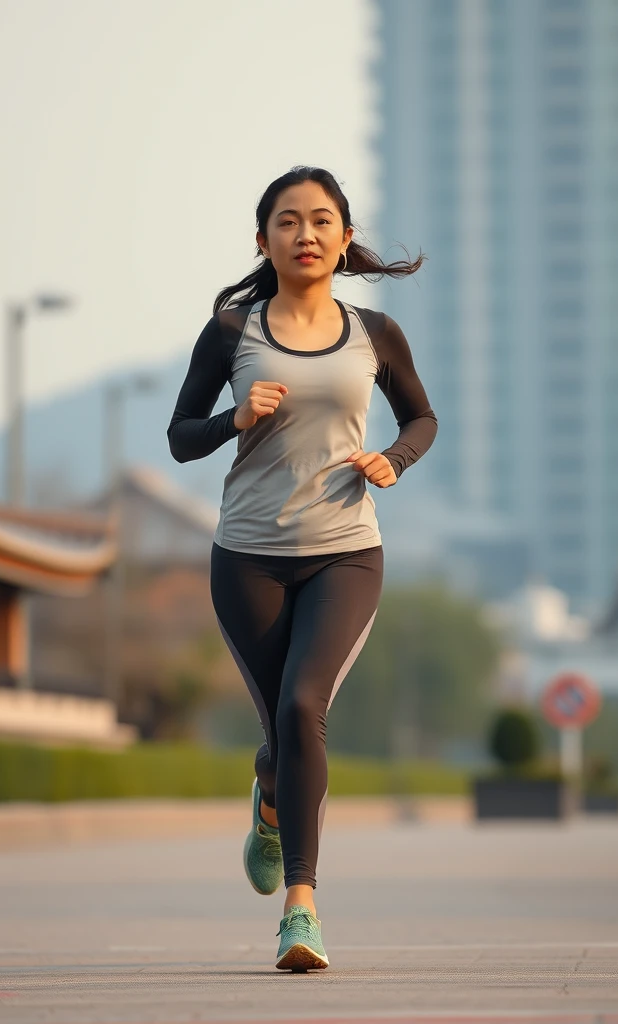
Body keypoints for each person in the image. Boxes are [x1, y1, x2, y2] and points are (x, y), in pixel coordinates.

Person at [167, 166, 436, 972]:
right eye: (288, 222)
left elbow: (421, 417)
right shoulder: (229, 332)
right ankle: (271, 799)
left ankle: (302, 910)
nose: (306, 234)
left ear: (345, 238)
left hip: (345, 552)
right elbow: (181, 435)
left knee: (304, 704)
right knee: (280, 728)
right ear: (264, 240)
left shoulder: (375, 335)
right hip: (246, 556)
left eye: (322, 221)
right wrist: (232, 418)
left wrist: (394, 459)